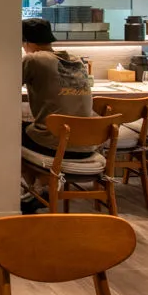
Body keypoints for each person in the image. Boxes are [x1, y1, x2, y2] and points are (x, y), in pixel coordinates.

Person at [21, 18, 94, 213]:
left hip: (58, 145)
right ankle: (42, 187)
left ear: (26, 41)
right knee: (29, 130)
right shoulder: (76, 61)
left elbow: (6, 83)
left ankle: (39, 187)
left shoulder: (34, 60)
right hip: (88, 144)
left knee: (11, 134)